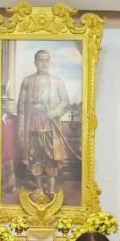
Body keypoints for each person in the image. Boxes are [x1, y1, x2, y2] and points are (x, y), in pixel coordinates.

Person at [17, 49, 71, 196]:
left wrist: (55, 112)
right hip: (32, 125)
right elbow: (21, 106)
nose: (44, 63)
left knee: (51, 156)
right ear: (35, 62)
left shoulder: (57, 81)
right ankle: (39, 188)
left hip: (50, 126)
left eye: (47, 60)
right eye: (41, 60)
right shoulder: (27, 81)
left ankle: (51, 189)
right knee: (34, 156)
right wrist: (21, 125)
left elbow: (65, 102)